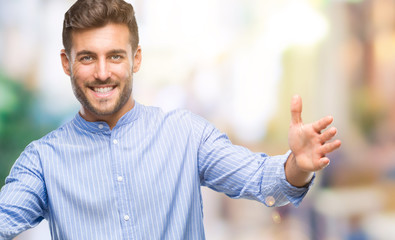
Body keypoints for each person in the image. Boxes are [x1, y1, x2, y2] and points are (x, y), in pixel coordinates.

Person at [0, 0, 341, 239]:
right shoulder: (42, 160)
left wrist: (298, 164)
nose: (102, 73)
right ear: (66, 62)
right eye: (88, 57)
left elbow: (264, 181)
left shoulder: (185, 134)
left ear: (136, 59)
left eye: (115, 56)